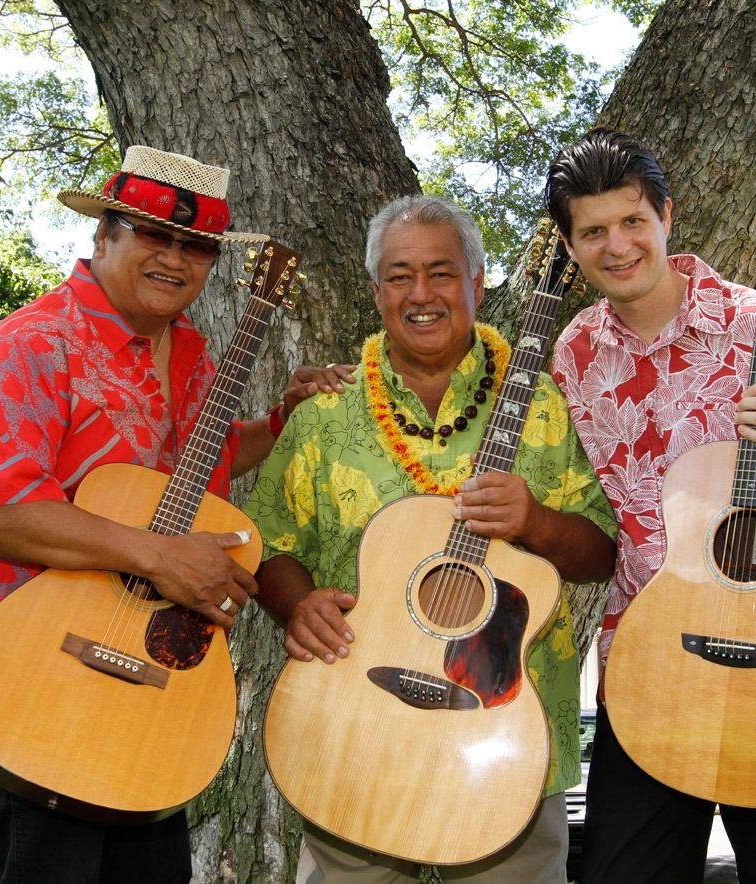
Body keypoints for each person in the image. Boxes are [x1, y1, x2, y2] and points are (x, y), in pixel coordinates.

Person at [0, 145, 352, 884]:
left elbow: (191, 475)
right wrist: (157, 557)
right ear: (102, 235)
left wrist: (280, 423)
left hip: (147, 705)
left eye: (196, 246)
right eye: (153, 234)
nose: (174, 258)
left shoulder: (191, 358)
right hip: (23, 692)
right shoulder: (30, 347)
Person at [545, 127, 756, 884]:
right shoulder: (574, 355)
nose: (618, 244)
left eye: (633, 220)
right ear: (571, 248)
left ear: (668, 214)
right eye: (594, 231)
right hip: (649, 670)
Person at [245, 193, 617, 883]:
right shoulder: (325, 413)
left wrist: (535, 522)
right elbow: (269, 547)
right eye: (399, 275)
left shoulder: (539, 406)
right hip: (354, 728)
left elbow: (601, 551)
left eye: (442, 272)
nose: (421, 294)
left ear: (476, 283)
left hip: (503, 737)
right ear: (376, 289)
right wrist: (298, 607)